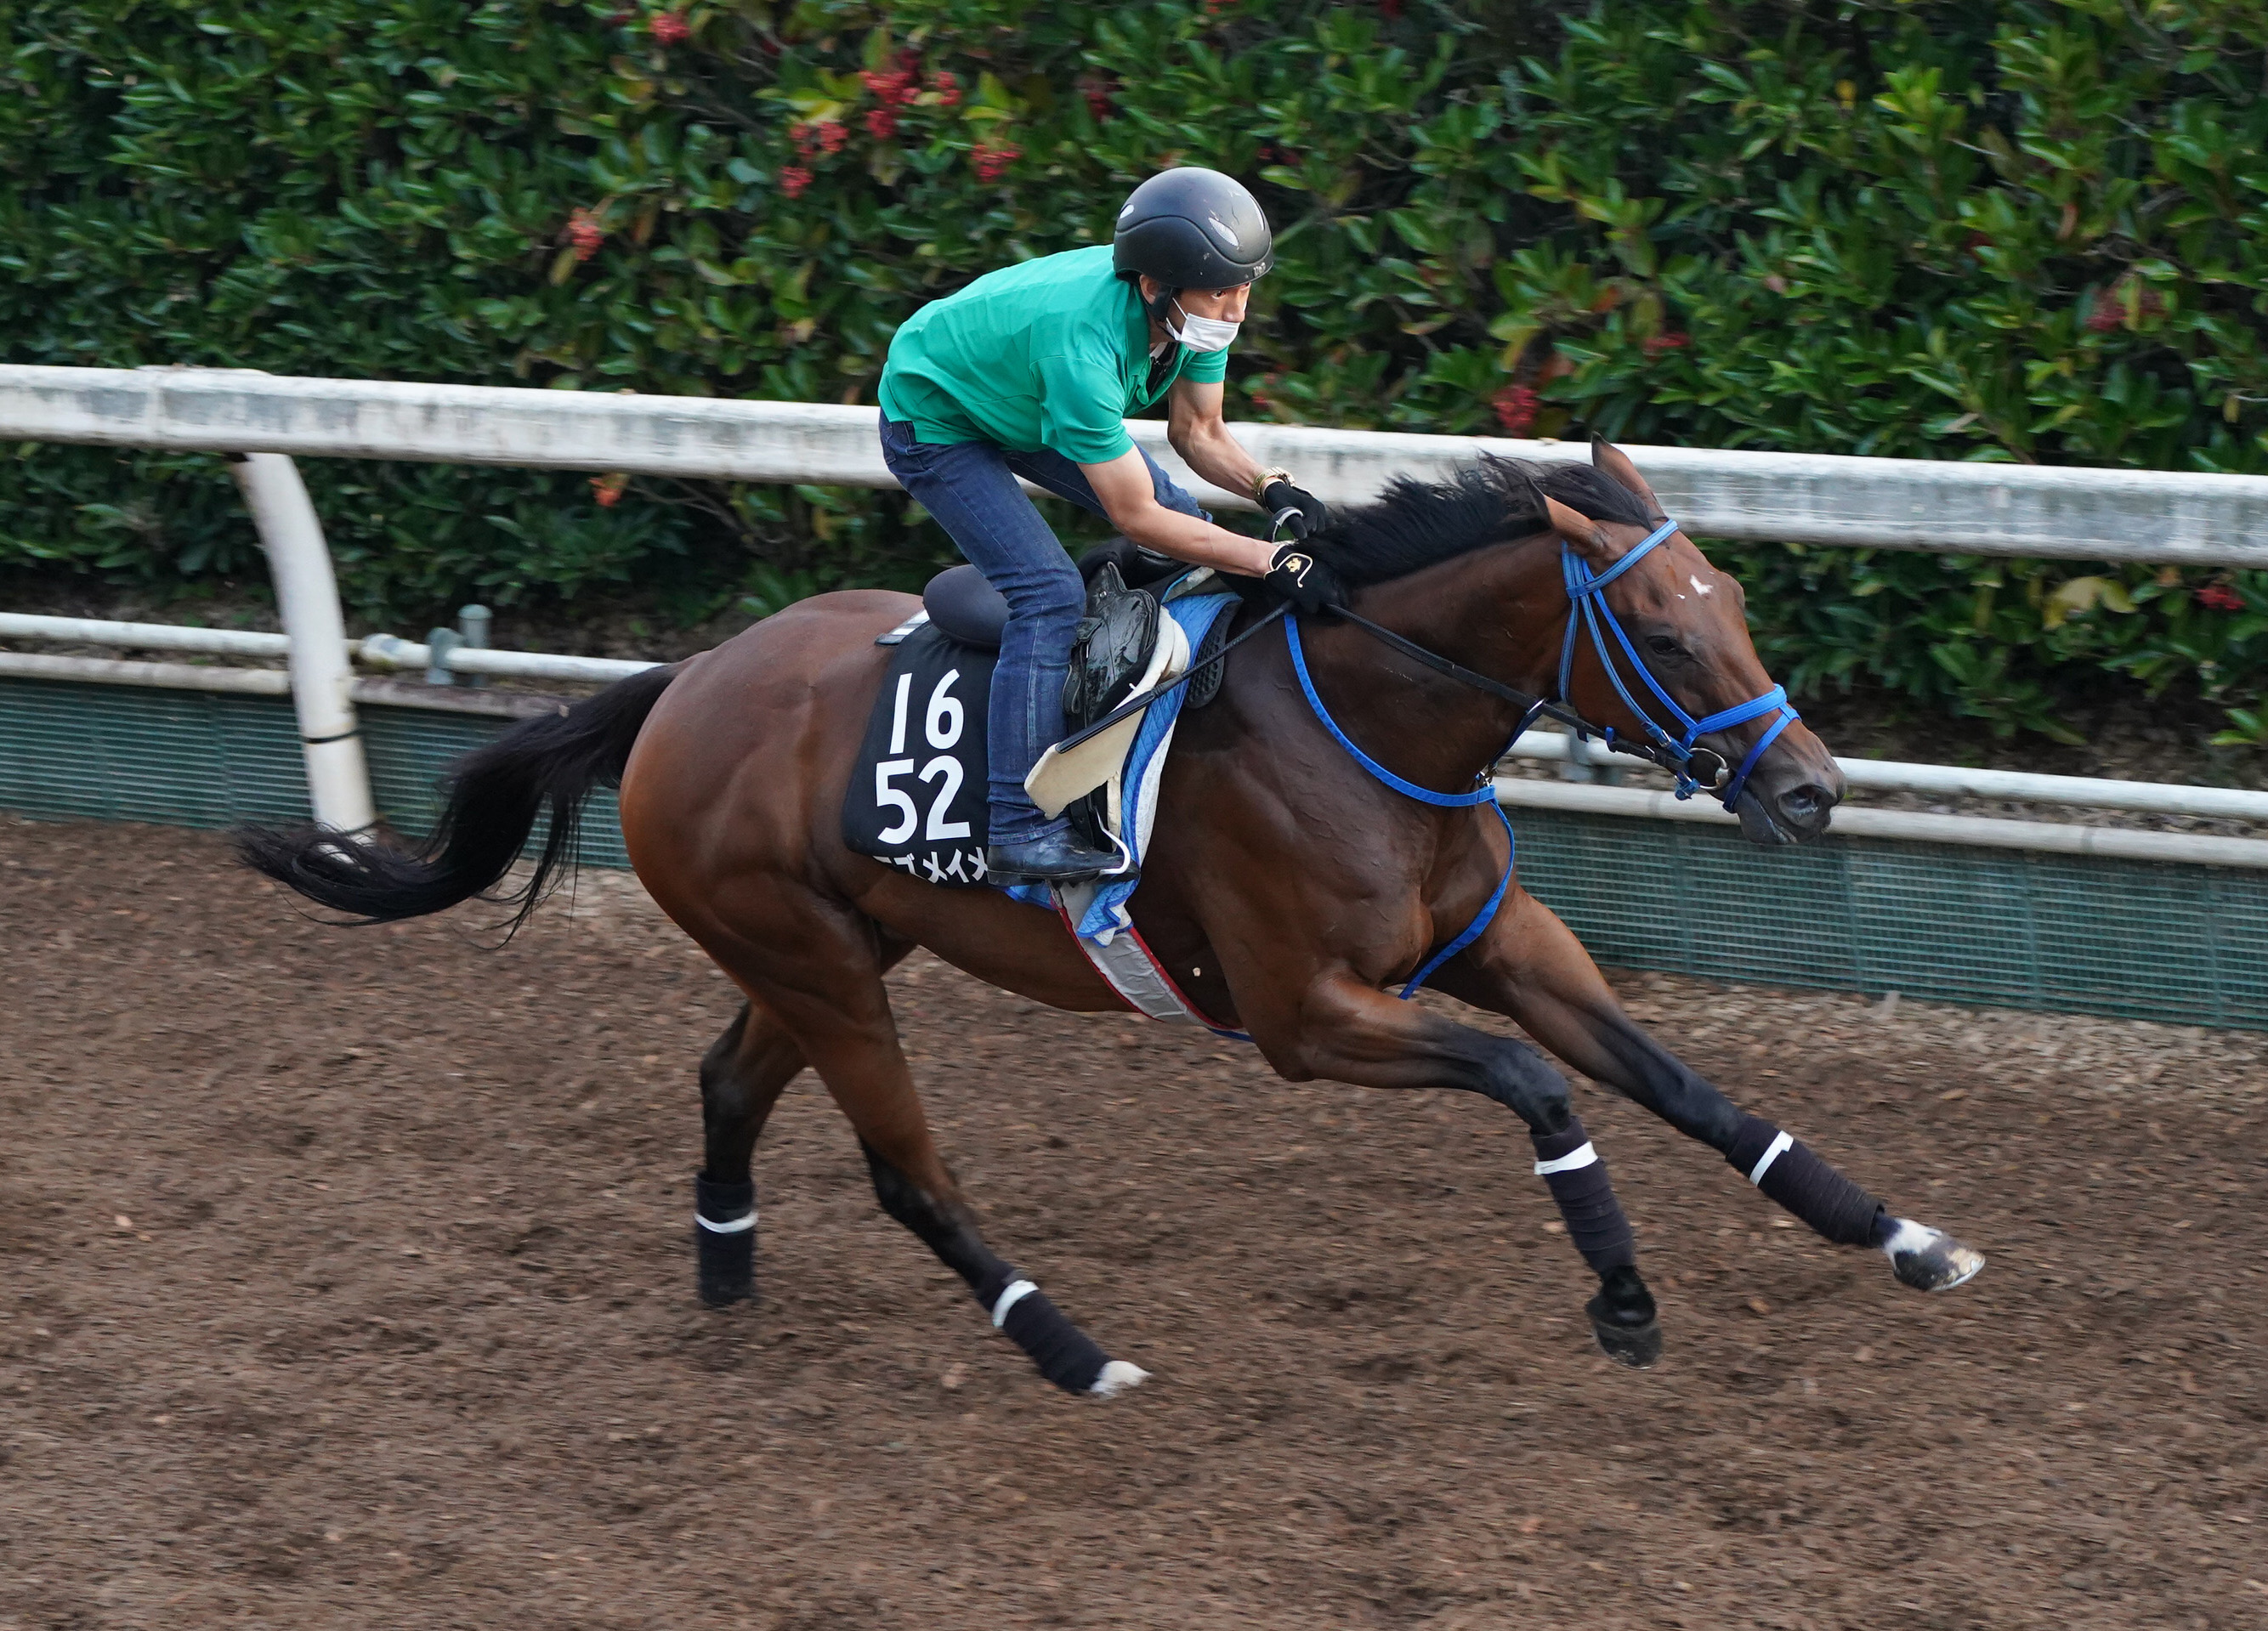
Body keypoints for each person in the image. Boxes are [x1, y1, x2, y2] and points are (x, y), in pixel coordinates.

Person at [877, 167, 1346, 886]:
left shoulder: (1195, 307)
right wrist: (1267, 560)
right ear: (1156, 287)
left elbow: (1200, 432)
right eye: (1223, 291)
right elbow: (1136, 515)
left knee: (1188, 524)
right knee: (1048, 593)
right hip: (934, 415)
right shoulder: (1083, 348)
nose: (1238, 308)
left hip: (1016, 392)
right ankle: (1018, 824)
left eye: (1246, 286)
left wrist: (1271, 490)